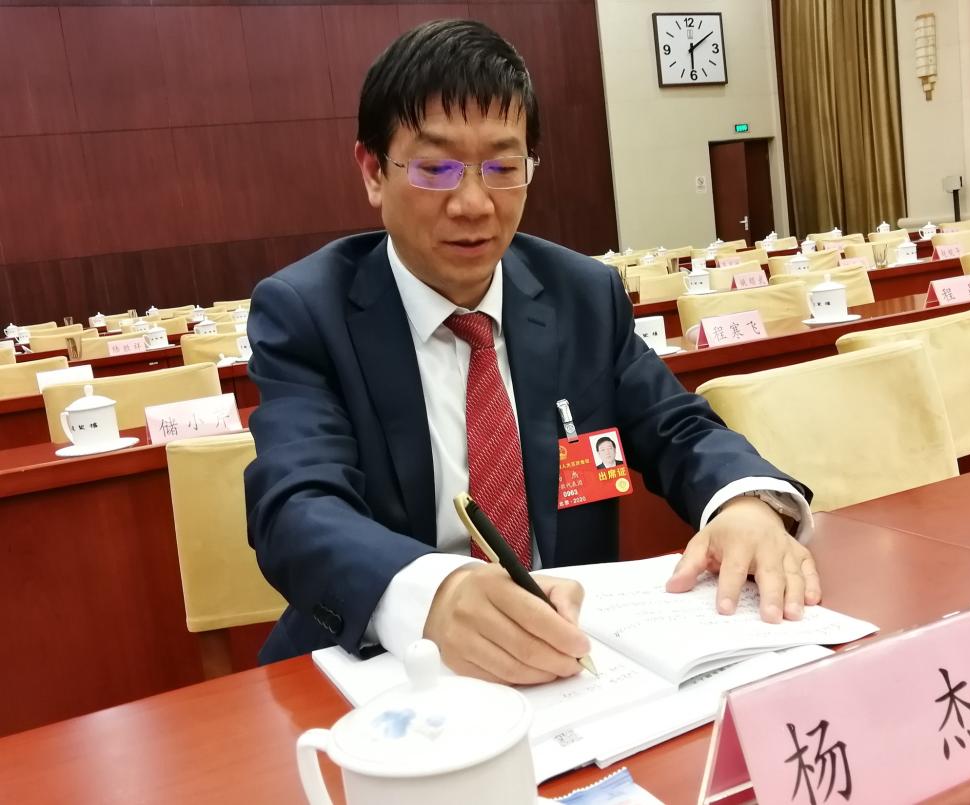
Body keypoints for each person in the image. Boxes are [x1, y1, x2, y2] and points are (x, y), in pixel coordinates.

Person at [244, 19, 820, 685]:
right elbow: (297, 506)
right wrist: (433, 593)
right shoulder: (307, 311)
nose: (473, 203)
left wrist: (743, 502)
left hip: (570, 660)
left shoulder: (582, 294)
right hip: (386, 670)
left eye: (502, 167)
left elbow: (678, 426)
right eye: (435, 168)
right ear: (374, 171)